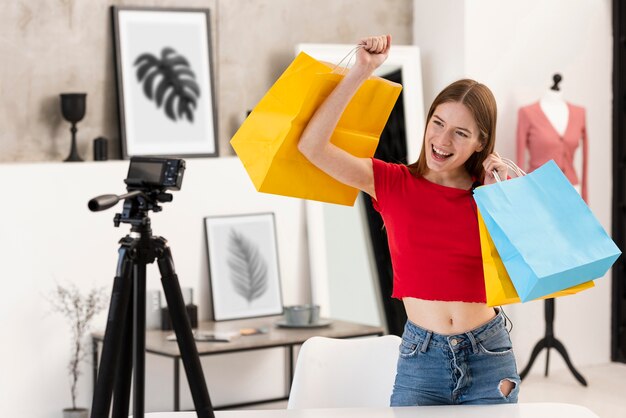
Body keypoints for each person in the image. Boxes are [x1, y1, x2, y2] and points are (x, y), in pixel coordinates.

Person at [297, 35, 520, 406]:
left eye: (460, 133)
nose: (442, 140)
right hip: (422, 358)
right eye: (438, 123)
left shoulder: (492, 192)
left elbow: (526, 268)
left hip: (489, 355)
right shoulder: (392, 182)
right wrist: (362, 71)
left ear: (481, 142)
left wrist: (509, 196)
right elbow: (312, 146)